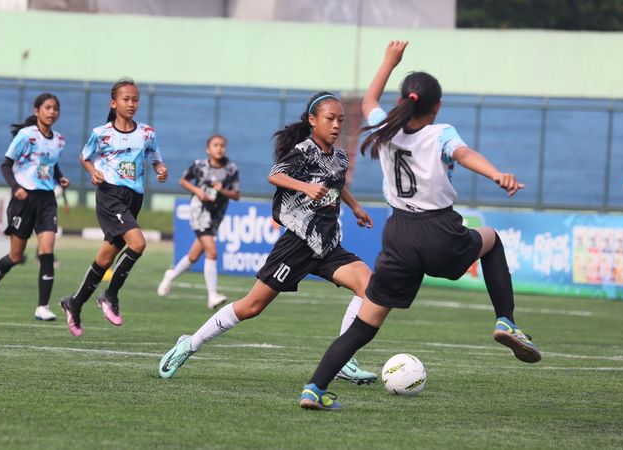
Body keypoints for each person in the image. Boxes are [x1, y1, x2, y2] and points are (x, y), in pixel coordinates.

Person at [298, 41, 541, 411]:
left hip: (398, 235)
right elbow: (464, 155)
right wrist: (497, 175)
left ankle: (314, 388)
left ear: (402, 102)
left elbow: (368, 102)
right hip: (439, 231)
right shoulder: (440, 132)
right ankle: (506, 321)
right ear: (436, 106)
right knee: (492, 239)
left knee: (366, 324)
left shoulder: (385, 128)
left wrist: (388, 61)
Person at [158, 91, 380, 386]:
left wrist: (355, 207)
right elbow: (275, 175)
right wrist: (305, 187)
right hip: (297, 243)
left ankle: (344, 360)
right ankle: (189, 344)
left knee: (370, 287)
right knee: (252, 307)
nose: (337, 125)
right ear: (313, 121)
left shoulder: (339, 156)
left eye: (340, 119)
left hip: (326, 243)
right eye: (330, 119)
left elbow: (336, 184)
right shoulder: (303, 150)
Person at [58, 77, 168, 337]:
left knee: (105, 258)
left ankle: (74, 303)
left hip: (134, 198)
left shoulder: (147, 133)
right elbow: (85, 157)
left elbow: (156, 158)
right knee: (138, 244)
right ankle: (110, 296)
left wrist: (161, 169)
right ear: (114, 102)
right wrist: (93, 172)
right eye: (126, 99)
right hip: (110, 196)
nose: (131, 104)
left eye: (135, 99)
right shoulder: (102, 134)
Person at [0, 93, 69, 321]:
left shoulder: (58, 140)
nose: (51, 112)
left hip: (47, 200)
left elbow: (51, 164)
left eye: (55, 109)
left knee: (46, 251)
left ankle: (42, 307)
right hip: (24, 200)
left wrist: (60, 178)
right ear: (37, 110)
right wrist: (16, 187)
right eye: (47, 108)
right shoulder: (25, 136)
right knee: (16, 256)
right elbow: (6, 165)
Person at [157, 134, 240, 309]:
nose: (219, 148)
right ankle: (212, 296)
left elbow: (236, 195)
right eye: (215, 145)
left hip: (216, 214)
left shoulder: (231, 169)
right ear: (208, 149)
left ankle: (170, 275)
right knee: (212, 252)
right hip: (199, 210)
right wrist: (198, 191)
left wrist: (222, 190)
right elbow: (183, 181)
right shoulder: (199, 166)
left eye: (222, 145)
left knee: (194, 255)